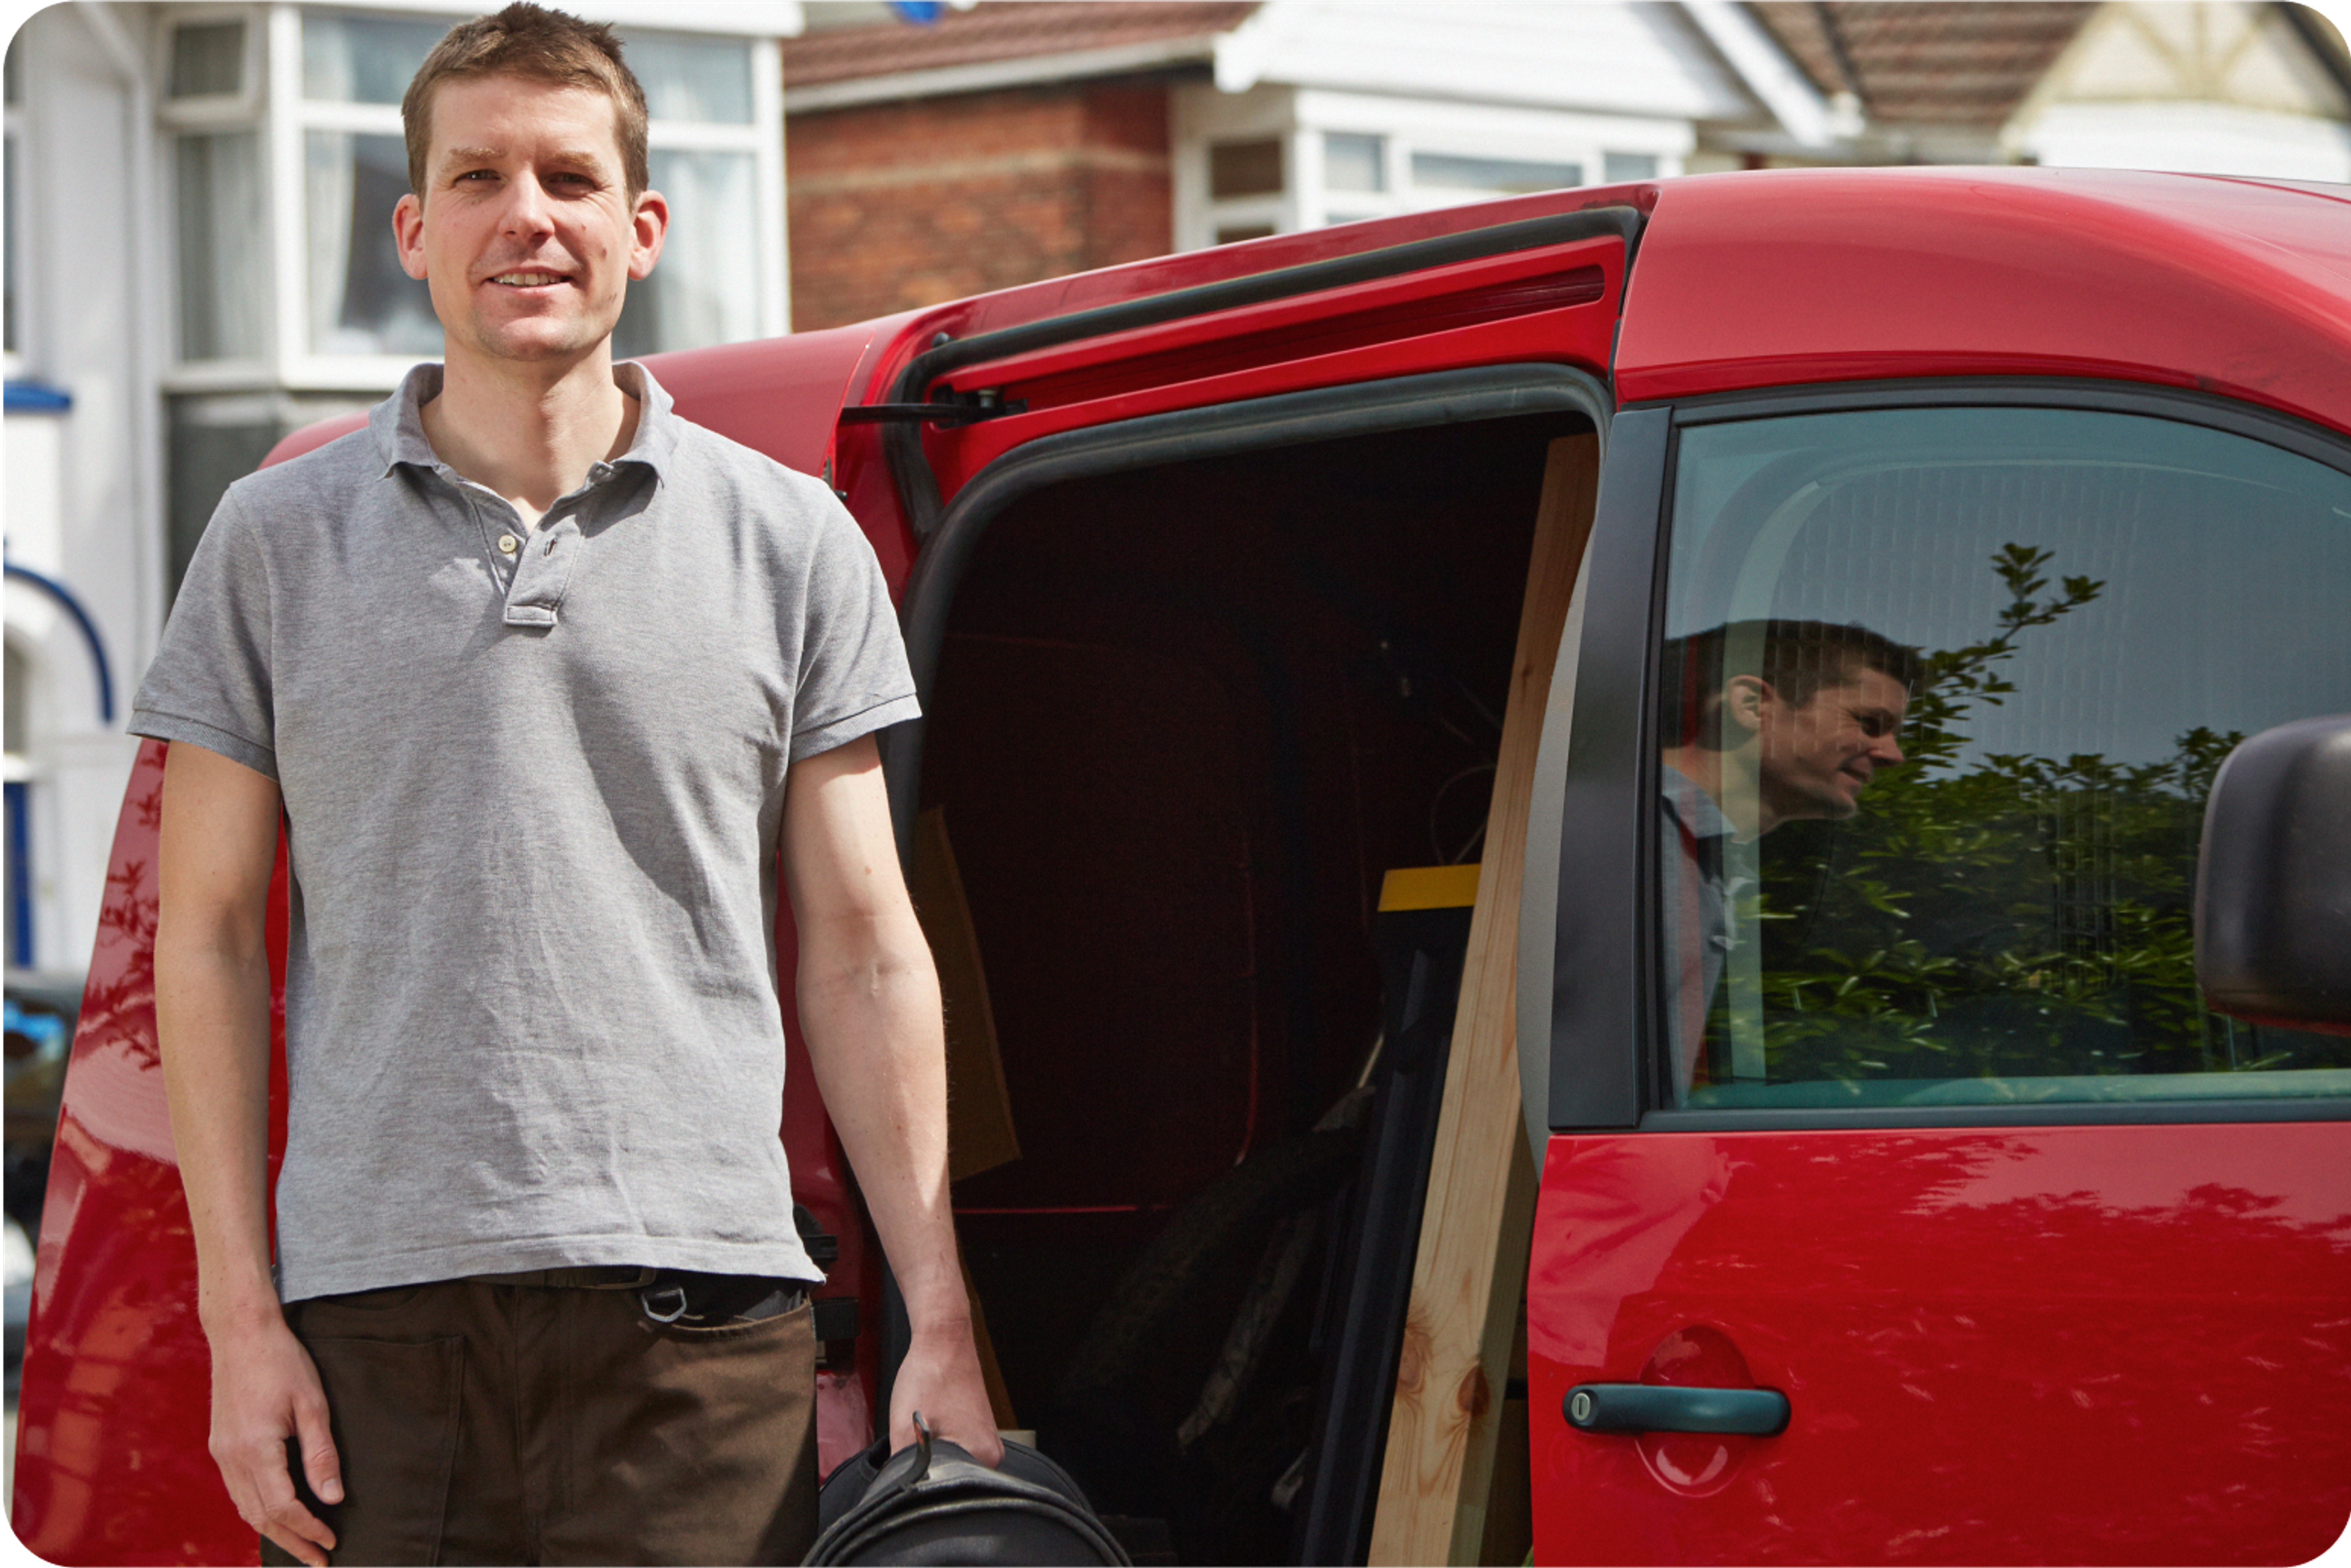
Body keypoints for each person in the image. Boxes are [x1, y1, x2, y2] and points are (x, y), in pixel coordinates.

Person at [134, 7, 997, 1566]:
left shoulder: (789, 540)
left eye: (568, 177)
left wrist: (940, 1309)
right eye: (477, 177)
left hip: (702, 1331)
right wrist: (238, 1319)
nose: (525, 214)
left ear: (641, 226)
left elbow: (865, 940)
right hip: (371, 1341)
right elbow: (198, 938)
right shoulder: (271, 541)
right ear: (411, 227)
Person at [1652, 619, 1919, 1097]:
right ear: (1752, 706)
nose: (1893, 754)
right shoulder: (1636, 844)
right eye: (1869, 722)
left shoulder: (1688, 848)